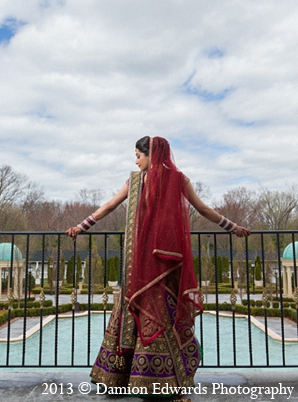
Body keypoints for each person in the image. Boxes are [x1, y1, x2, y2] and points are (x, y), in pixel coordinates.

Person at [66, 136, 250, 398]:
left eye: (138, 155)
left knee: (136, 314)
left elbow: (109, 206)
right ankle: (170, 381)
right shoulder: (179, 180)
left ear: (150, 154)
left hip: (138, 268)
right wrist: (234, 228)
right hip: (167, 267)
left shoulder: (136, 181)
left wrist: (80, 227)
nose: (135, 160)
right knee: (166, 319)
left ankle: (125, 379)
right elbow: (204, 209)